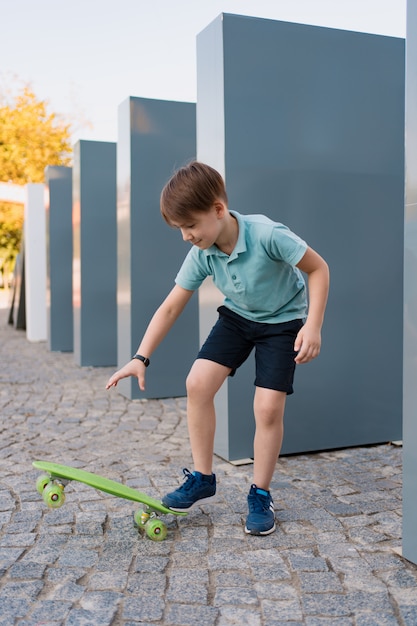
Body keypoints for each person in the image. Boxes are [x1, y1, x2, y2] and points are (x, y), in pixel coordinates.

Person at [106, 161, 329, 536]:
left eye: (190, 226)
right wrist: (140, 357)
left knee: (268, 407)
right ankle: (202, 477)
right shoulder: (202, 252)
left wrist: (313, 325)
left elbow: (319, 268)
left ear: (219, 210)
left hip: (282, 322)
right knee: (198, 383)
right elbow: (171, 305)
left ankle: (260, 493)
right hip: (238, 318)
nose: (185, 236)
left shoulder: (267, 234)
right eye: (180, 229)